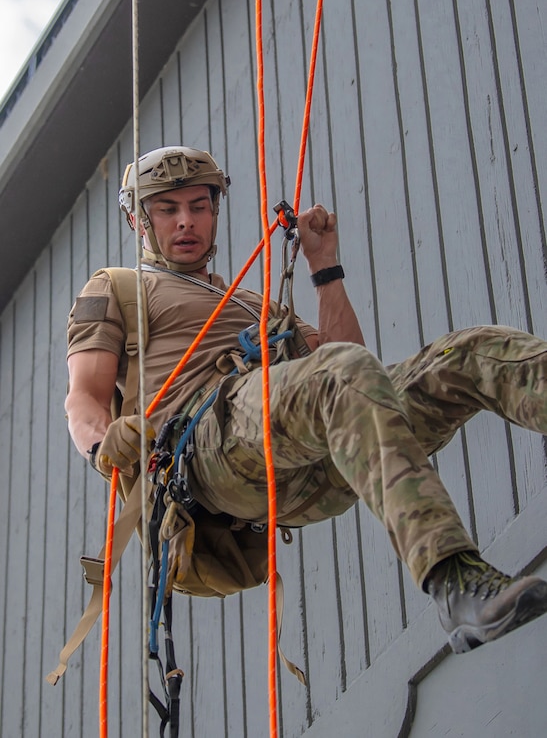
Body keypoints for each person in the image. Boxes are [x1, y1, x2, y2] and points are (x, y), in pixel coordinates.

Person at [65, 145, 547, 655]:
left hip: (312, 454)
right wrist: (103, 448)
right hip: (207, 448)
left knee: (471, 353)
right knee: (339, 376)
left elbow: (358, 370)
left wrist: (324, 267)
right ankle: (454, 579)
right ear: (140, 219)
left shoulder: (259, 305)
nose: (187, 222)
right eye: (168, 209)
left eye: (198, 206)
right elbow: (84, 398)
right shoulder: (118, 287)